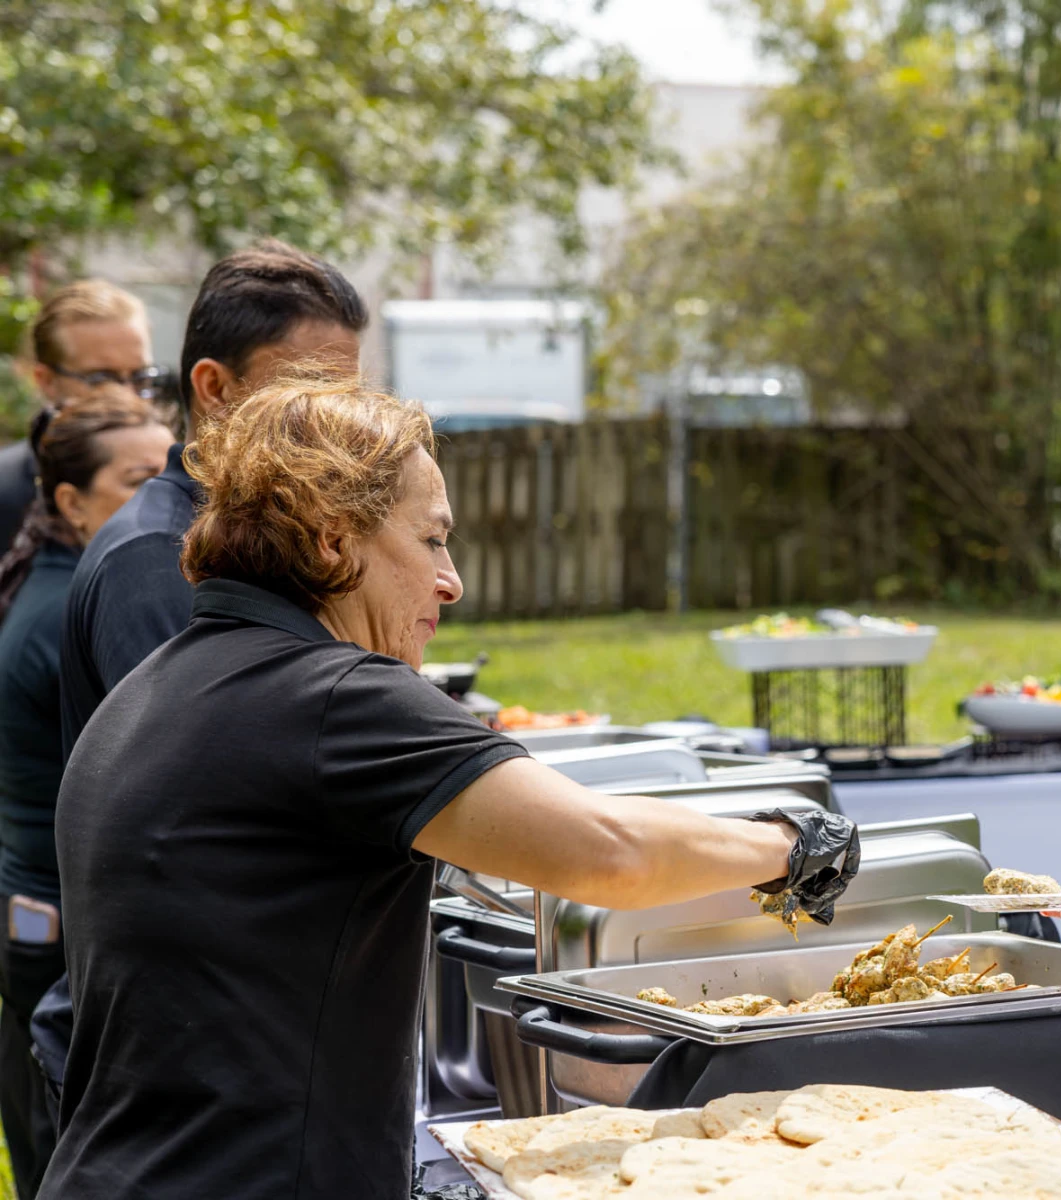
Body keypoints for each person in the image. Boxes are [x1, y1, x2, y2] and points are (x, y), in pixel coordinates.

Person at [38, 378, 859, 1199]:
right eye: (431, 540)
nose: (451, 580)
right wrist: (789, 844)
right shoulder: (334, 699)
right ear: (332, 540)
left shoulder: (160, 685)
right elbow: (610, 855)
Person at [58, 240, 365, 757]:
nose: (337, 420)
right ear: (214, 387)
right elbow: (195, 767)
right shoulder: (155, 554)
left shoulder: (263, 534)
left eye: (348, 397)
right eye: (307, 394)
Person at [0, 397, 173, 1200]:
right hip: (47, 912)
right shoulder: (82, 602)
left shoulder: (67, 576)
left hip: (40, 902)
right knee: (60, 1143)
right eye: (139, 480)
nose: (160, 502)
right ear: (68, 501)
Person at [0, 281, 168, 549]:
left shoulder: (177, 468)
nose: (126, 395)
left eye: (140, 377)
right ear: (46, 381)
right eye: (101, 379)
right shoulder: (8, 490)